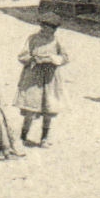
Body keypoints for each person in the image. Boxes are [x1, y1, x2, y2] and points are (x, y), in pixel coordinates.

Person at [15, 9, 68, 147]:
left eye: (50, 29)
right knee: (30, 107)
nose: (46, 31)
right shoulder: (32, 38)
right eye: (44, 27)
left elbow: (65, 58)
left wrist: (53, 59)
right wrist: (33, 59)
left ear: (54, 30)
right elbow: (22, 55)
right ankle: (23, 136)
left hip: (50, 78)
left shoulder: (57, 41)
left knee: (48, 107)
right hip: (33, 76)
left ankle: (44, 137)